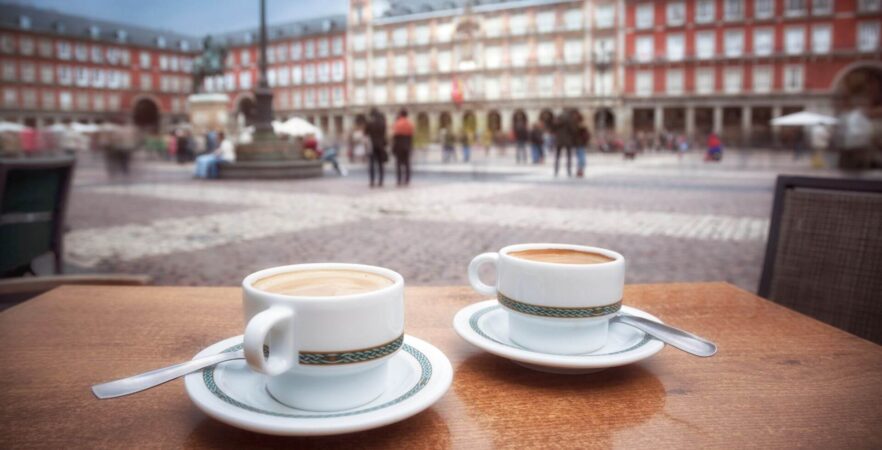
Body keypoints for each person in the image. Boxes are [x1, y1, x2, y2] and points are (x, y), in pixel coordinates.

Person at [392, 109, 414, 186]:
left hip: (399, 145)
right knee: (407, 163)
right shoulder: (410, 124)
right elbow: (411, 135)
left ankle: (399, 179)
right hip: (407, 144)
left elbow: (395, 136)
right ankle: (407, 179)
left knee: (398, 163)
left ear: (400, 114)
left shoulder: (397, 123)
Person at [365, 108, 387, 187]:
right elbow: (384, 133)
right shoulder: (382, 122)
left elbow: (366, 133)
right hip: (380, 144)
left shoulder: (369, 122)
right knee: (381, 164)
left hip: (372, 145)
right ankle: (381, 181)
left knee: (372, 164)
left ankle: (372, 181)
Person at [553, 110, 574, 177]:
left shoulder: (557, 120)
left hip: (559, 140)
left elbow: (553, 128)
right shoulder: (569, 120)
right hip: (568, 140)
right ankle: (569, 170)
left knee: (557, 156)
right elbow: (572, 129)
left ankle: (556, 170)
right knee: (569, 156)